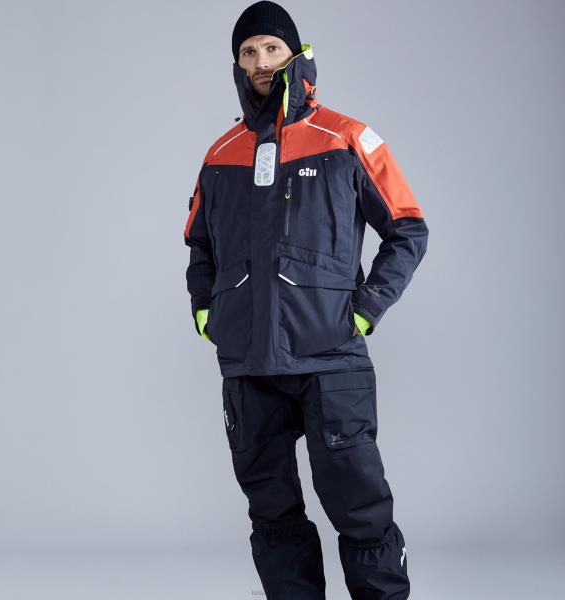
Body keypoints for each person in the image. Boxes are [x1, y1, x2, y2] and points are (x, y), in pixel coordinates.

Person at [183, 2, 429, 598]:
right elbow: (200, 245)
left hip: (329, 358)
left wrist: (365, 310)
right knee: (271, 513)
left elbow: (407, 229)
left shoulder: (346, 138)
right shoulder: (220, 153)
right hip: (248, 364)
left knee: (359, 505)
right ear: (237, 64)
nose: (260, 62)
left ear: (296, 54)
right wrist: (207, 311)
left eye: (271, 48)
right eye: (248, 52)